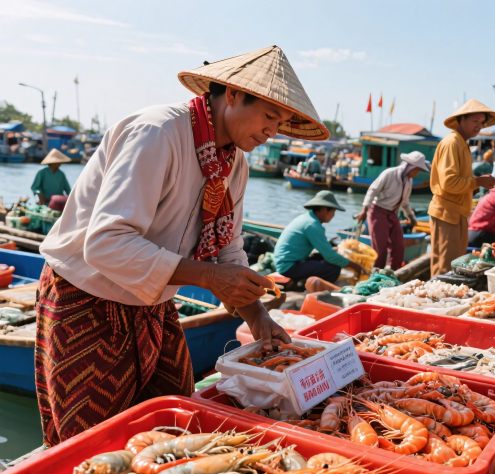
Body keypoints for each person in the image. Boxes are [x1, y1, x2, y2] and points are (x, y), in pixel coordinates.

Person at [34, 45, 324, 445]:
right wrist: (208, 276)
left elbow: (229, 249)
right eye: (270, 115)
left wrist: (256, 316)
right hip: (87, 300)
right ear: (234, 95)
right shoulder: (157, 133)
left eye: (283, 122)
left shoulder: (233, 162)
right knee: (93, 442)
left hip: (152, 303)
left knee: (172, 422)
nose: (273, 130)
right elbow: (105, 243)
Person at [428, 99, 495, 276]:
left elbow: (458, 181)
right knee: (444, 267)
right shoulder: (452, 142)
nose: (479, 126)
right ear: (461, 120)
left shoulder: (462, 143)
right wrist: (478, 182)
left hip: (457, 213)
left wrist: (478, 182)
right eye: (474, 121)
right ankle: (436, 302)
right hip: (447, 213)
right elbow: (449, 182)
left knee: (454, 265)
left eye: (481, 123)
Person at [356, 151, 429, 270]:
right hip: (377, 211)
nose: (416, 173)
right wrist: (364, 209)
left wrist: (412, 218)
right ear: (411, 167)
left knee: (398, 246)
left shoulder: (408, 181)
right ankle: (376, 273)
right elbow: (373, 190)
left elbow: (405, 203)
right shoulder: (389, 173)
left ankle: (394, 272)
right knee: (380, 248)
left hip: (392, 213)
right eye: (417, 170)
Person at [274, 191, 365, 284]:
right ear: (325, 210)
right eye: (333, 212)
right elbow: (330, 256)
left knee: (323, 258)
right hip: (288, 267)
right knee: (333, 268)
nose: (333, 215)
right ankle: (310, 286)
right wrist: (355, 266)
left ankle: (305, 281)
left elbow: (326, 251)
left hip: (287, 263)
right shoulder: (312, 225)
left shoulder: (307, 218)